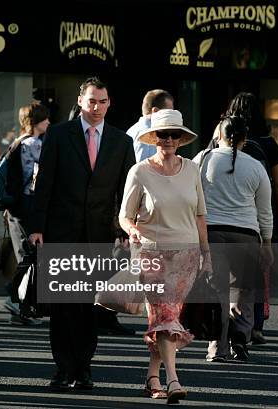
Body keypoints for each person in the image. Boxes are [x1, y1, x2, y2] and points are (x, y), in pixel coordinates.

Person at [29, 77, 135, 390]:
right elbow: (44, 183)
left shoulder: (120, 141)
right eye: (91, 101)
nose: (97, 107)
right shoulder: (59, 134)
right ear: (80, 101)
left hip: (99, 234)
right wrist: (37, 227)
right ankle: (63, 368)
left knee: (90, 306)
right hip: (61, 231)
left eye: (102, 101)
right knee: (62, 306)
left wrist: (123, 229)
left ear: (109, 103)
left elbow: (125, 193)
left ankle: (84, 368)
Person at [119, 109, 211, 404]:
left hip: (186, 256)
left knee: (164, 320)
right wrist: (132, 229)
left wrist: (206, 253)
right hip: (151, 253)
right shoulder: (140, 171)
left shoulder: (192, 169)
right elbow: (124, 215)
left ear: (182, 138)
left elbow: (200, 216)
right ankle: (173, 380)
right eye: (163, 134)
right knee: (166, 317)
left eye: (174, 134)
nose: (168, 139)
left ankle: (152, 378)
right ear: (154, 138)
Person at [193, 115, 273, 363]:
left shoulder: (203, 159)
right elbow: (264, 210)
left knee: (217, 290)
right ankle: (240, 339)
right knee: (243, 291)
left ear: (220, 135)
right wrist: (267, 242)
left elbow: (192, 197)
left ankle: (217, 346)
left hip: (213, 232)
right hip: (246, 235)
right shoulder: (257, 167)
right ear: (244, 139)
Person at [224, 92, 278, 344]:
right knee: (260, 270)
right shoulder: (268, 144)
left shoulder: (220, 139)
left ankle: (227, 324)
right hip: (262, 211)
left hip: (228, 212)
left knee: (228, 273)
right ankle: (257, 325)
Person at [3, 102, 49, 325]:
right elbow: (36, 180)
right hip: (27, 205)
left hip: (15, 207)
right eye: (44, 119)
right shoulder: (33, 144)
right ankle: (16, 298)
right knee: (29, 255)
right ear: (35, 121)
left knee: (25, 253)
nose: (48, 123)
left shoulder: (16, 143)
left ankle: (19, 307)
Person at [126, 89, 174, 162]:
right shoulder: (149, 134)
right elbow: (144, 169)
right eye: (169, 112)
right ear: (155, 111)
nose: (171, 116)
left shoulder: (132, 130)